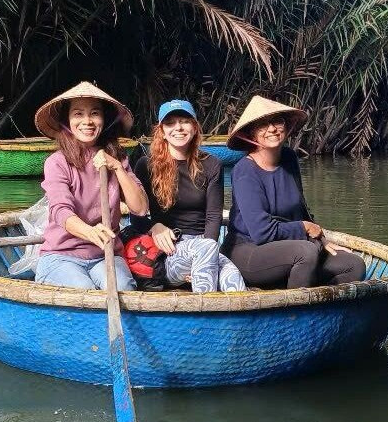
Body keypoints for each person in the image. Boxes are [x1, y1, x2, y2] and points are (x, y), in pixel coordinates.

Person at [224, 95, 367, 289]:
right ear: (251, 134)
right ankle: (294, 315)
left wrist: (321, 238)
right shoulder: (245, 171)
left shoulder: (289, 158)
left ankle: (317, 306)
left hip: (291, 248)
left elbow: (302, 210)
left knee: (353, 265)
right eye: (262, 125)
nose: (272, 129)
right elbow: (262, 233)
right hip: (248, 250)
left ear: (286, 126)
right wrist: (305, 228)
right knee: (305, 252)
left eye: (277, 121)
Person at [33, 81, 148, 290]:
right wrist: (90, 232)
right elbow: (61, 211)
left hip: (105, 255)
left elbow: (140, 208)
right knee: (85, 292)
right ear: (67, 121)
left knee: (123, 289)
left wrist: (117, 169)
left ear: (105, 119)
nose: (87, 121)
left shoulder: (118, 159)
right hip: (61, 255)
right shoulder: (57, 162)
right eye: (78, 114)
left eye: (95, 113)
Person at [134, 99, 245, 293]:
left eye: (184, 121)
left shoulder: (212, 164)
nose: (178, 127)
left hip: (205, 245)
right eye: (170, 123)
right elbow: (136, 217)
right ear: (162, 131)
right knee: (206, 250)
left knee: (233, 279)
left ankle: (235, 323)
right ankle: (205, 316)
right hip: (169, 251)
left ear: (194, 127)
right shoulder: (146, 165)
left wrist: (206, 258)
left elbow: (213, 217)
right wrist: (154, 226)